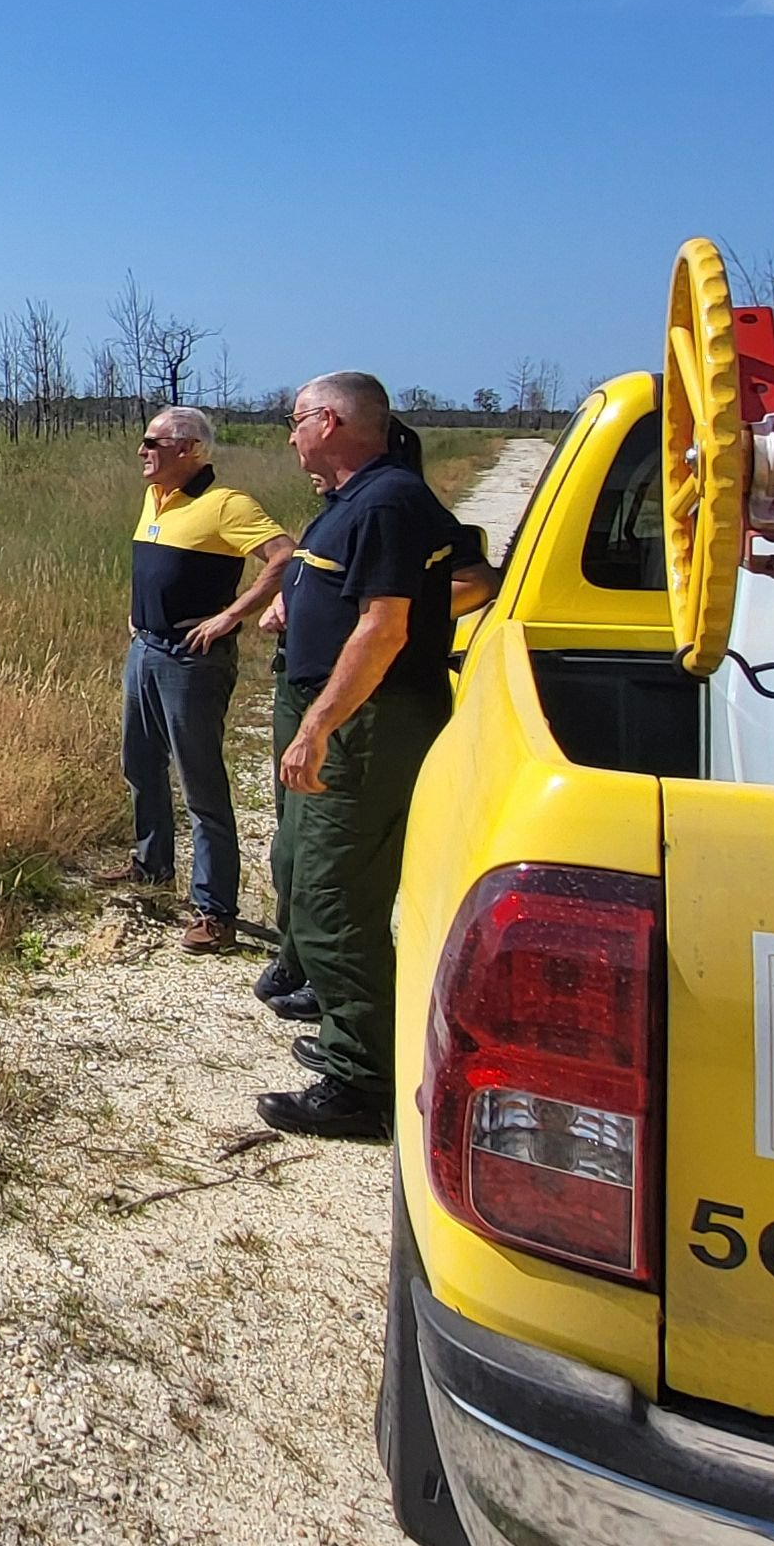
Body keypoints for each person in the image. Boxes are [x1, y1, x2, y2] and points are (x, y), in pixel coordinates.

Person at [254, 371, 468, 1140]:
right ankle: (366, 1039)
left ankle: (363, 1082)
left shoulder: (384, 502)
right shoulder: (359, 501)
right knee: (330, 880)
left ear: (335, 420)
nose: (289, 435)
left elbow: (385, 627)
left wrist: (318, 725)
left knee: (332, 893)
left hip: (368, 723)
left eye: (298, 419)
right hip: (356, 716)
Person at [120, 406, 293, 952]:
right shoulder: (155, 498)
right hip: (145, 650)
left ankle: (215, 910)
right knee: (141, 765)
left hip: (192, 661)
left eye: (153, 442)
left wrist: (231, 615)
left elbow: (284, 555)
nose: (143, 451)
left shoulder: (226, 505)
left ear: (189, 449)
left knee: (200, 784)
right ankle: (151, 868)